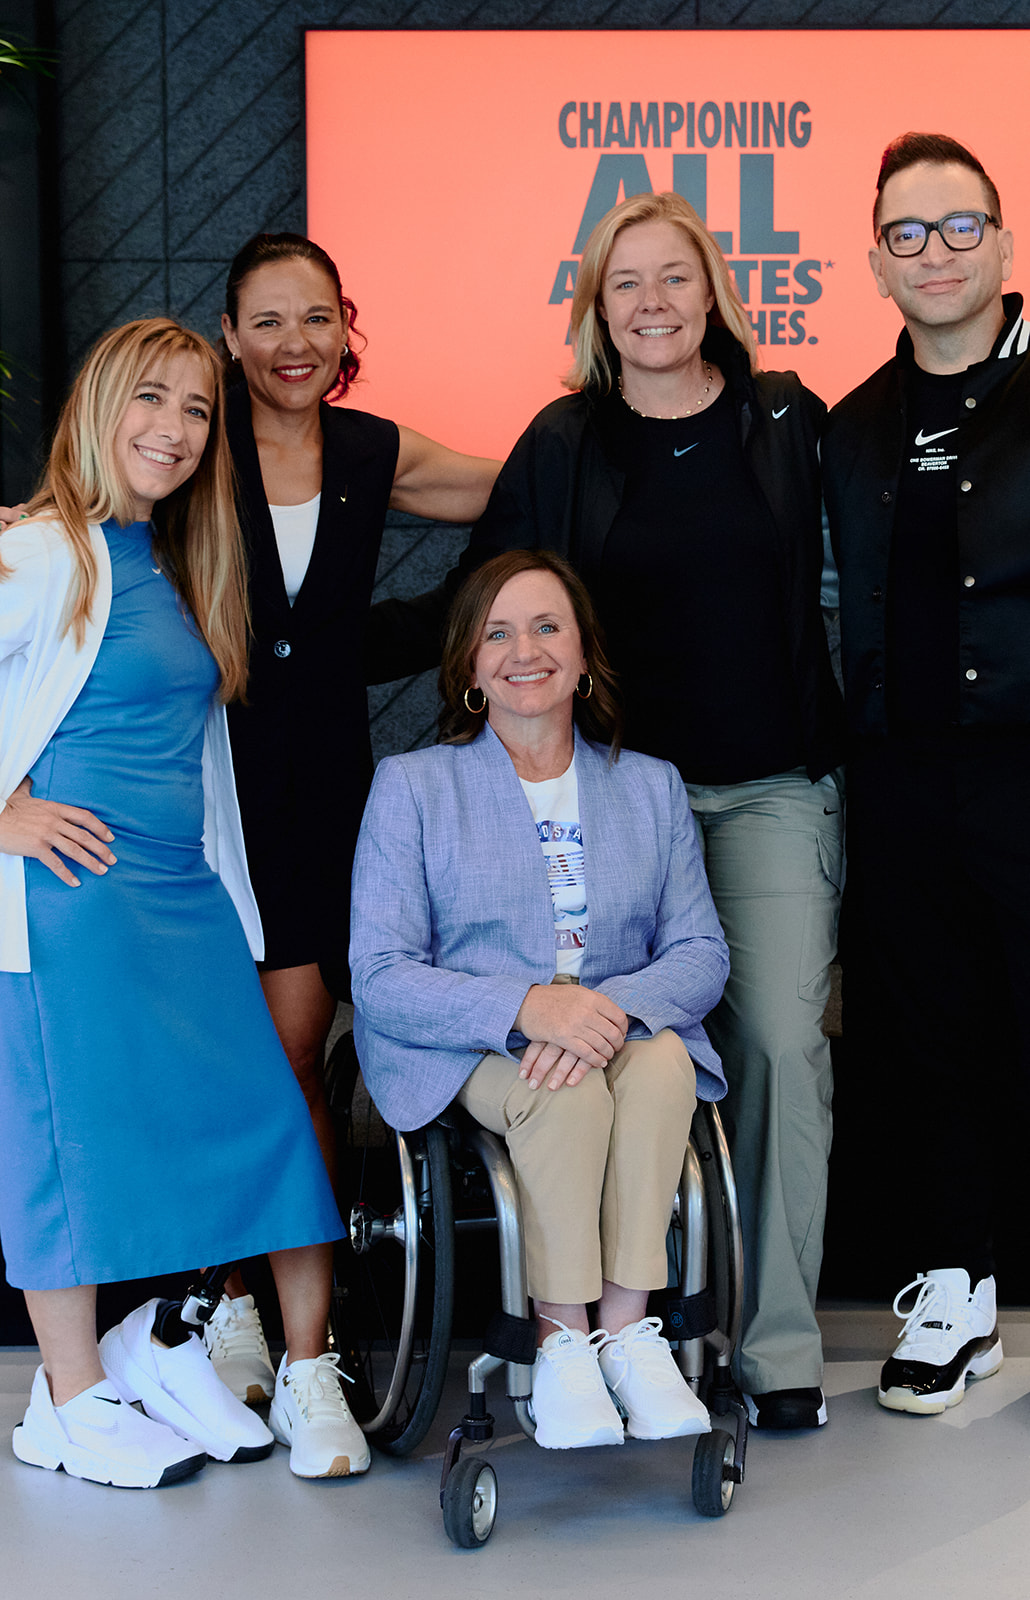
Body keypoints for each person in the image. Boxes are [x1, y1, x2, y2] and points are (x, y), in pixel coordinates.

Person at [391, 193, 845, 1429]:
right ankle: (591, 1331)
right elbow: (476, 600)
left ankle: (775, 1345)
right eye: (624, 283)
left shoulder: (784, 419)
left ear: (713, 292)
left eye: (673, 278)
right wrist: (289, 647)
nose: (651, 303)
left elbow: (860, 570)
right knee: (592, 1048)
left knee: (772, 1049)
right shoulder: (566, 441)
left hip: (761, 786)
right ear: (597, 309)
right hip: (607, 795)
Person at [0, 316, 370, 1489]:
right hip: (71, 902)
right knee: (66, 1145)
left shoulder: (162, 554)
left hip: (179, 894)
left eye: (196, 410)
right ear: (97, 410)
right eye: (148, 401)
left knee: (253, 1123)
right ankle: (64, 1402)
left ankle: (153, 1348)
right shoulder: (46, 548)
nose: (173, 428)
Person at [186, 233, 501, 1396]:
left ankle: (294, 1327)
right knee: (247, 1055)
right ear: (228, 334)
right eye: (267, 321)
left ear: (345, 330)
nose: (292, 344)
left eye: (316, 318)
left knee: (297, 1057)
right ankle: (230, 1303)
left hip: (332, 794)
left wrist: (432, 626)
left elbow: (503, 490)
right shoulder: (193, 441)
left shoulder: (368, 450)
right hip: (211, 787)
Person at [350, 549, 729, 1449]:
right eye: (498, 632)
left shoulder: (650, 785)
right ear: (470, 666)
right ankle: (563, 1342)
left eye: (548, 625)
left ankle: (631, 1335)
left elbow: (700, 951)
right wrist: (529, 1009)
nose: (527, 649)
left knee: (666, 1058)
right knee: (564, 1085)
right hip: (472, 1042)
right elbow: (382, 972)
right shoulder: (416, 787)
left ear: (585, 653)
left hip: (613, 1025)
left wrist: (607, 1016)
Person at [822, 133, 1026, 1415]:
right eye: (909, 234)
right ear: (876, 262)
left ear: (1004, 242)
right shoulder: (848, 427)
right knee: (934, 1039)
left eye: (960, 227)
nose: (936, 253)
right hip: (901, 778)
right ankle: (957, 1290)